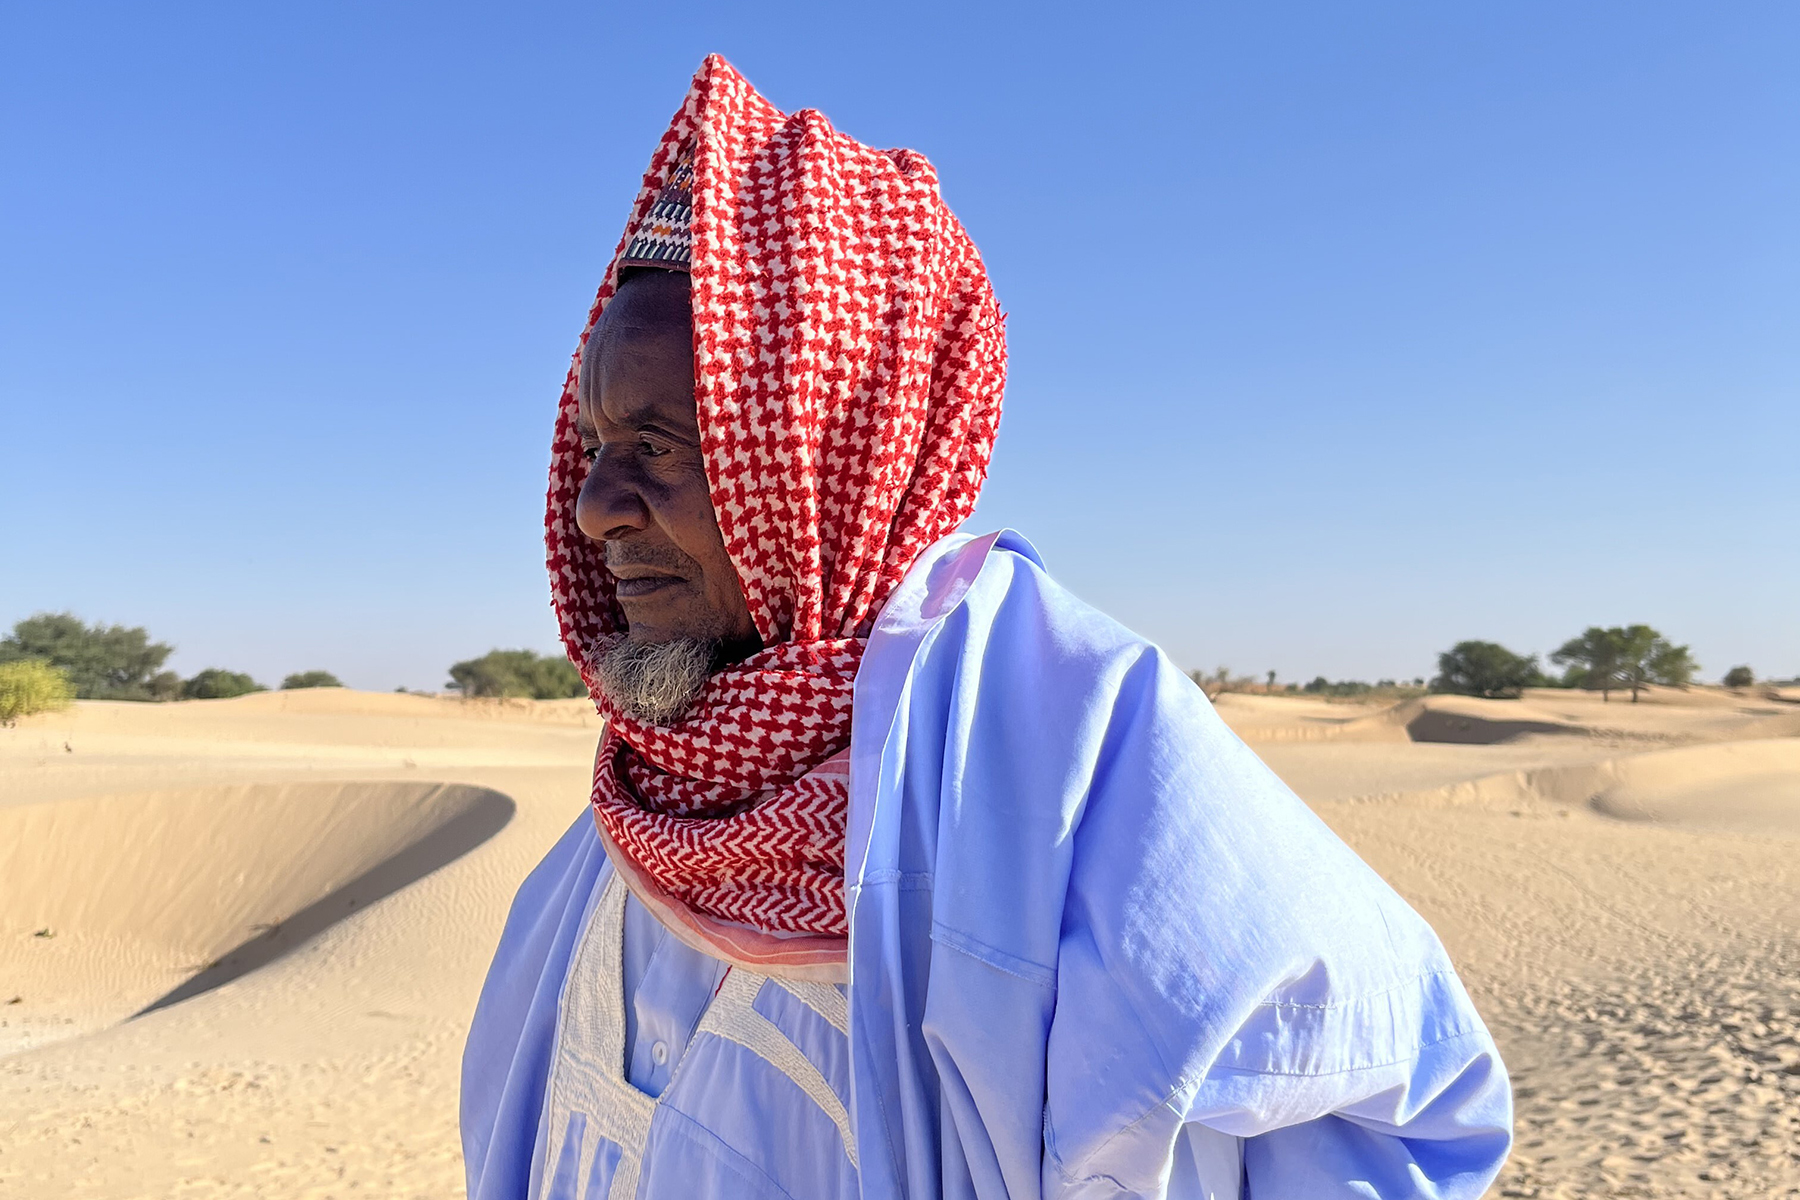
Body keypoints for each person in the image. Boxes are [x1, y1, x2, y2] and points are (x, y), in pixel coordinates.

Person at [461, 55, 1511, 1200]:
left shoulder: (1073, 793)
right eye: (598, 445)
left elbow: (1361, 1112)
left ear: (831, 459)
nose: (593, 505)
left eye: (659, 446)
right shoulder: (640, 808)